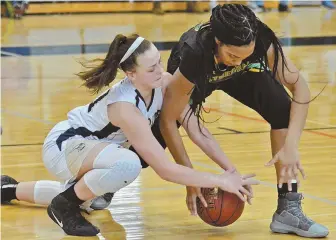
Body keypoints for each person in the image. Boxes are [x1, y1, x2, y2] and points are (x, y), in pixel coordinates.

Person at [1, 33, 259, 237]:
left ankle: (8, 189)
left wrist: (231, 172)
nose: (160, 71)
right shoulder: (124, 106)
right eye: (151, 69)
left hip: (97, 151)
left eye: (159, 61)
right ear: (131, 74)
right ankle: (63, 206)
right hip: (66, 147)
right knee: (128, 164)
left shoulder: (165, 83)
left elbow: (197, 129)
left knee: (90, 199)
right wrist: (217, 180)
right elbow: (165, 169)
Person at [159, 3, 329, 238]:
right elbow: (169, 122)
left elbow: (300, 88)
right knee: (156, 130)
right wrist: (191, 180)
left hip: (237, 75)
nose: (238, 61)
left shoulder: (260, 38)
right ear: (218, 41)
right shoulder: (193, 54)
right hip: (201, 73)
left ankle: (288, 208)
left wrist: (290, 146)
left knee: (282, 109)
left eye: (245, 56)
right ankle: (107, 180)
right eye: (233, 55)